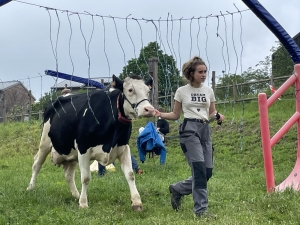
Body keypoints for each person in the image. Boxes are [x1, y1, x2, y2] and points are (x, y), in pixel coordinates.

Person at [154, 56, 225, 218]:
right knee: (199, 170)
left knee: (207, 172)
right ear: (191, 73)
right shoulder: (181, 91)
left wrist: (218, 116)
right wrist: (160, 114)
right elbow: (175, 114)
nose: (204, 74)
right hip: (189, 130)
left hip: (205, 129)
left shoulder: (209, 91)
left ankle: (178, 189)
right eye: (200, 72)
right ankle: (201, 210)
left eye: (205, 71)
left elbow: (212, 111)